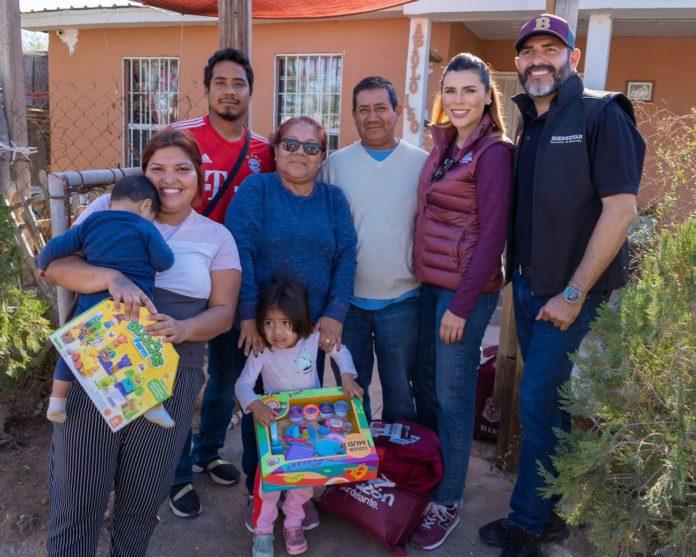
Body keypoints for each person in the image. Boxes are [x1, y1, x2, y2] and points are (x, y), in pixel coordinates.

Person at [478, 14, 645, 557]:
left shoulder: (602, 112)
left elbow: (620, 211)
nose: (538, 60)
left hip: (569, 296)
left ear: (572, 57)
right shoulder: (531, 121)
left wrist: (572, 295)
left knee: (537, 401)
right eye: (528, 52)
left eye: (551, 49)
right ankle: (552, 510)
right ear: (519, 63)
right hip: (527, 290)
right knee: (547, 407)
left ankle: (528, 523)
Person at [43, 129, 241, 556]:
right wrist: (109, 278)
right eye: (158, 169)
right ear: (143, 174)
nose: (170, 179)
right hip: (95, 367)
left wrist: (185, 329)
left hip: (170, 379)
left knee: (140, 502)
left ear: (199, 176)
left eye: (182, 169)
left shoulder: (216, 237)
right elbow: (56, 267)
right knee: (77, 501)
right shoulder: (105, 209)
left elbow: (224, 312)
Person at [227, 115, 357, 531]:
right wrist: (248, 315)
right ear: (277, 149)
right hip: (264, 326)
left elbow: (347, 255)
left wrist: (335, 312)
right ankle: (259, 488)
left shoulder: (333, 200)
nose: (300, 153)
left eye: (311, 147)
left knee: (304, 409)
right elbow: (239, 250)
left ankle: (299, 491)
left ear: (323, 157)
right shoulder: (257, 191)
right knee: (261, 409)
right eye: (290, 144)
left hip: (311, 328)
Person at [409, 53, 513, 551]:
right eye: (450, 90)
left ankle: (449, 499)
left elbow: (493, 235)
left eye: (469, 90)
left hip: (462, 293)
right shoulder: (446, 144)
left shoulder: (494, 153)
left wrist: (461, 306)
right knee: (430, 385)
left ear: (487, 95)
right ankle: (436, 476)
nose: (458, 100)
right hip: (431, 285)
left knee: (453, 398)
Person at [168, 47, 275, 517]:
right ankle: (173, 475)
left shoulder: (264, 150)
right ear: (207, 87)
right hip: (183, 276)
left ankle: (207, 450)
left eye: (239, 83)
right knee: (176, 377)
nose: (230, 91)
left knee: (228, 375)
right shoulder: (180, 138)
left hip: (235, 279)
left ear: (251, 91)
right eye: (221, 82)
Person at [321, 76, 427, 423]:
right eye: (363, 110)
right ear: (353, 115)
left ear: (397, 111)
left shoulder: (421, 164)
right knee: (350, 394)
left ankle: (401, 468)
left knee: (400, 393)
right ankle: (358, 468)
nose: (372, 117)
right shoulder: (335, 165)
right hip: (346, 304)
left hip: (403, 299)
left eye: (381, 108)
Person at [235, 275, 363, 557]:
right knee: (269, 482)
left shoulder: (312, 339)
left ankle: (293, 523)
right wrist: (255, 405)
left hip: (310, 425)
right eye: (269, 323)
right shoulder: (262, 351)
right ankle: (263, 530)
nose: (276, 331)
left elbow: (342, 352)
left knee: (304, 480)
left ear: (300, 319)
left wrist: (347, 377)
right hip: (274, 427)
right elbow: (243, 384)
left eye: (285, 323)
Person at [39, 175, 175, 428]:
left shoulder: (92, 222)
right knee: (139, 353)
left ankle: (57, 400)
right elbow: (164, 262)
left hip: (92, 303)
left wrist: (43, 263)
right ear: (146, 206)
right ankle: (153, 405)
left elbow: (59, 246)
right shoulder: (145, 228)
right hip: (132, 307)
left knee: (75, 349)